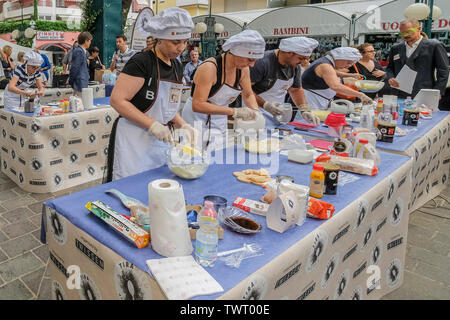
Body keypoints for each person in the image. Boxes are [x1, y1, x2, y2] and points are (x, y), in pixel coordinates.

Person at [107, 7, 198, 181]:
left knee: (157, 185)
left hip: (160, 139)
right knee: (131, 189)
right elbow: (118, 101)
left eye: (185, 42)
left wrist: (184, 125)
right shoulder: (141, 62)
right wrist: (152, 125)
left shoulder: (177, 66)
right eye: (175, 42)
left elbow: (168, 106)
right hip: (133, 139)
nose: (181, 48)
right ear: (160, 38)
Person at [181, 29, 264, 149]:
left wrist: (256, 112)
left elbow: (248, 94)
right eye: (250, 59)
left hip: (219, 119)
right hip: (196, 120)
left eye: (255, 61)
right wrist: (235, 112)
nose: (252, 65)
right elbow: (198, 104)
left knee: (218, 157)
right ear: (237, 52)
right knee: (193, 158)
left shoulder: (243, 70)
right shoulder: (209, 67)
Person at [249, 36, 321, 125]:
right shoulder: (262, 62)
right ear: (289, 53)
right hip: (254, 112)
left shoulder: (295, 67)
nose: (303, 62)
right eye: (301, 58)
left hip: (278, 114)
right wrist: (265, 105)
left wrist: (304, 110)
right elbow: (245, 90)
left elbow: (296, 90)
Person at [386, 19, 449, 99]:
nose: (405, 35)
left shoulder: (434, 46)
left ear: (419, 29)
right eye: (402, 33)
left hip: (424, 93)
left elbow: (443, 70)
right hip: (398, 93)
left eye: (408, 32)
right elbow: (389, 68)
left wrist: (438, 91)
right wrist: (390, 77)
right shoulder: (395, 48)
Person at [301, 47, 373, 110]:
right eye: (348, 62)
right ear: (339, 57)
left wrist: (350, 75)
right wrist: (361, 95)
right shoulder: (325, 65)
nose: (348, 66)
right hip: (311, 102)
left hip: (319, 101)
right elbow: (336, 86)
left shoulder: (327, 62)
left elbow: (333, 72)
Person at [69, 32, 92, 96]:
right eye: (90, 41)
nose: (90, 43)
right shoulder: (79, 51)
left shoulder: (82, 51)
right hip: (79, 84)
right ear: (86, 41)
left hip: (82, 83)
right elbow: (75, 68)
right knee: (80, 104)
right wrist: (71, 81)